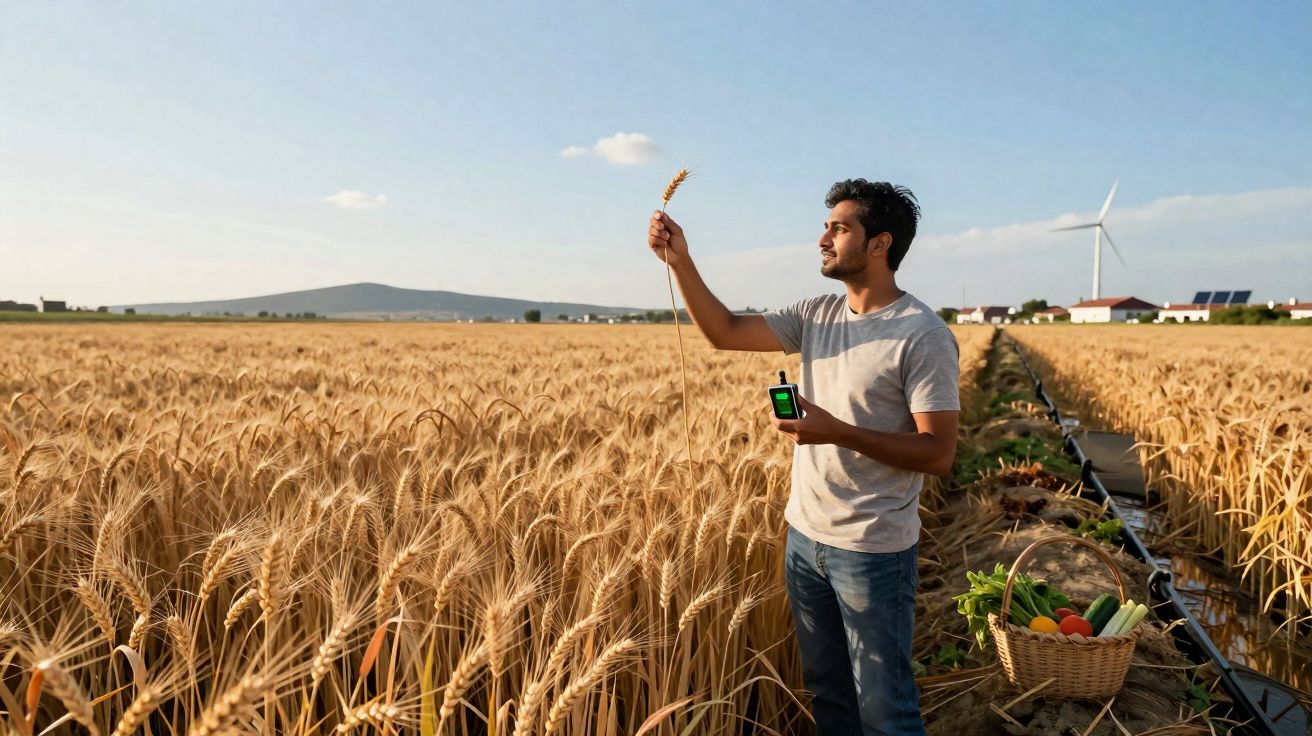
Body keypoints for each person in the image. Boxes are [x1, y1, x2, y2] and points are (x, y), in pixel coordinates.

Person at [646, 178, 959, 735]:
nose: (823, 238)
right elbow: (724, 331)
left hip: (872, 549)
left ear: (880, 244)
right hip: (805, 537)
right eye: (826, 226)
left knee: (885, 707)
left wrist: (835, 430)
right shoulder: (816, 313)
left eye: (838, 228)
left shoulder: (922, 335)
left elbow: (938, 454)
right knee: (830, 697)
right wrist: (681, 263)